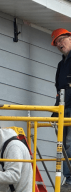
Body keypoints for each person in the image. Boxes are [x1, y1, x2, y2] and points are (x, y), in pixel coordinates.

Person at [51, 28, 71, 191]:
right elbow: (60, 90)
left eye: (62, 39)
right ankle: (68, 177)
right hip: (64, 108)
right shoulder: (61, 64)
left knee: (70, 143)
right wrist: (56, 110)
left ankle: (70, 178)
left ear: (70, 39)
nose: (59, 44)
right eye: (57, 42)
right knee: (63, 144)